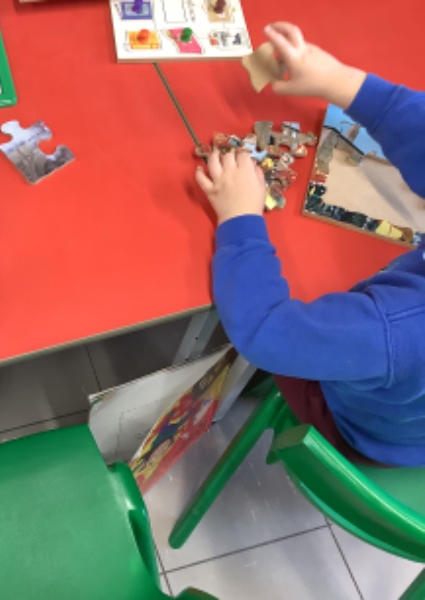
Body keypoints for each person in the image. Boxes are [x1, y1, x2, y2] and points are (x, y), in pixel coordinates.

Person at [195, 22, 425, 467]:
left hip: (364, 430)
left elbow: (265, 332)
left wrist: (240, 218)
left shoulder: (395, 330)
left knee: (288, 330)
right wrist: (343, 83)